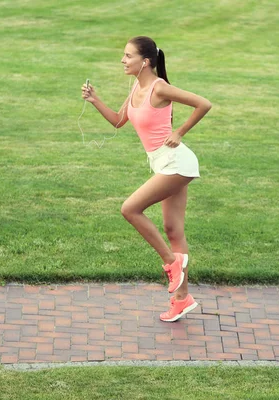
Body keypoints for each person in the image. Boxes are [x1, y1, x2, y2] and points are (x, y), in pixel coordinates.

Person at [81, 36, 212, 322]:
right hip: (164, 164)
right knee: (173, 229)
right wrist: (94, 100)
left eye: (128, 56)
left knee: (129, 208)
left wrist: (179, 132)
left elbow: (204, 104)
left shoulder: (159, 87)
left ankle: (170, 263)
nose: (122, 60)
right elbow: (118, 120)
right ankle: (182, 298)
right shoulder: (135, 90)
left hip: (176, 163)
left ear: (146, 62)